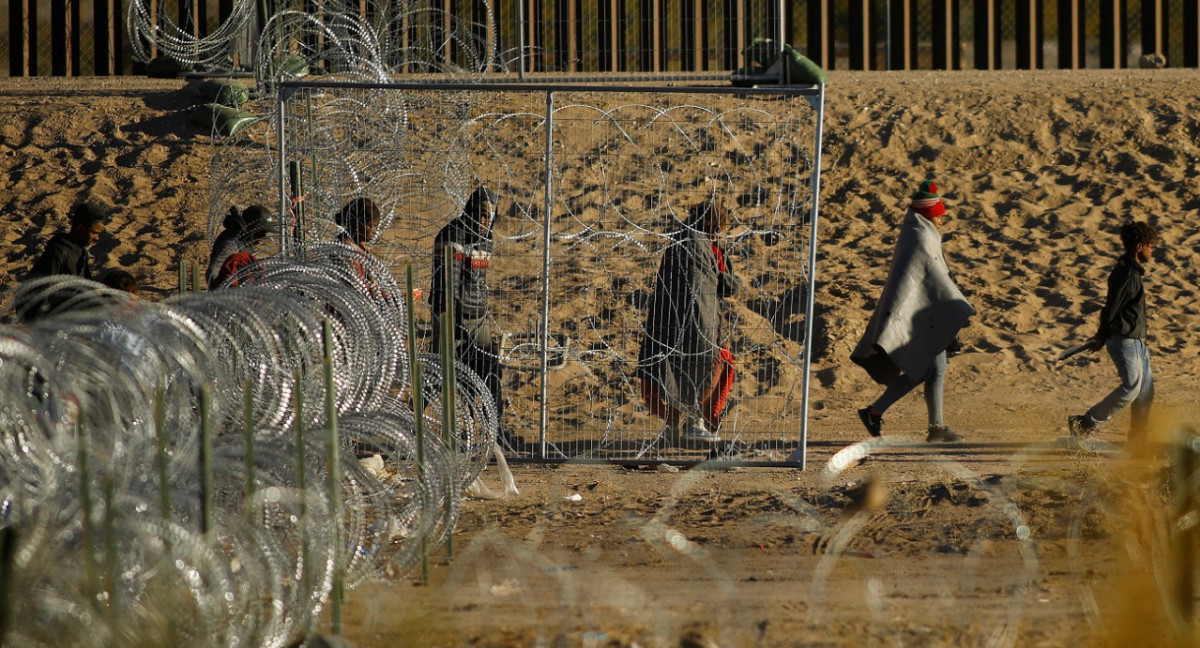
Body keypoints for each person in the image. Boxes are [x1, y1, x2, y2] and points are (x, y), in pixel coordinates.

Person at [850, 180, 974, 443]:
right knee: (924, 371)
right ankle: (876, 411)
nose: (943, 217)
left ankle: (934, 428)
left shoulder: (919, 231)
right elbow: (933, 282)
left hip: (925, 315)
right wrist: (949, 316)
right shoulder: (921, 236)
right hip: (920, 316)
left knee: (934, 370)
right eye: (940, 212)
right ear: (930, 213)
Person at [637, 201, 741, 445]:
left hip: (668, 321)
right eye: (716, 227)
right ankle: (694, 421)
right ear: (711, 223)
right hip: (698, 320)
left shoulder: (680, 240)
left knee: (675, 368)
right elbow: (725, 286)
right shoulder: (703, 244)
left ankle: (672, 427)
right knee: (713, 362)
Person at [429, 186, 520, 449]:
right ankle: (412, 427)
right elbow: (448, 285)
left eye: (488, 217)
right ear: (469, 211)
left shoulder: (486, 240)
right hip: (451, 317)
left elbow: (478, 283)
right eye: (480, 215)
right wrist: (452, 324)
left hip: (478, 318)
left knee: (491, 374)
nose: (483, 222)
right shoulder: (452, 236)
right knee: (439, 377)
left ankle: (497, 433)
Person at [1067, 221, 1158, 443]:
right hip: (1125, 341)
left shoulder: (1131, 272)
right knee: (1131, 389)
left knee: (1145, 393)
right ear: (1139, 247)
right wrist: (1101, 335)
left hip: (1137, 343)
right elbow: (1111, 308)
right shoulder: (1126, 275)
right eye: (1150, 246)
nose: (1151, 251)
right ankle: (1085, 422)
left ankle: (1138, 441)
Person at [28, 201, 106, 279]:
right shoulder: (58, 252)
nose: (97, 238)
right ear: (81, 227)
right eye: (94, 232)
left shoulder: (82, 252)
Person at [207, 204, 269, 288]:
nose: (263, 236)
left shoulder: (243, 243)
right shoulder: (232, 243)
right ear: (253, 227)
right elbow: (213, 274)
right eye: (262, 232)